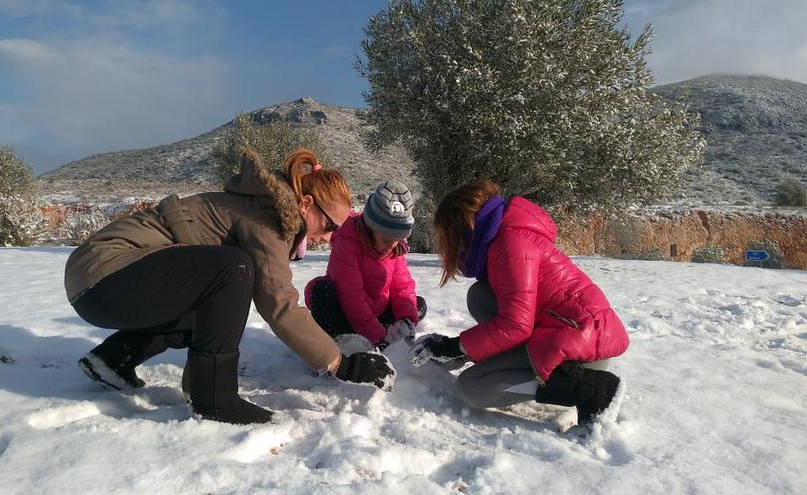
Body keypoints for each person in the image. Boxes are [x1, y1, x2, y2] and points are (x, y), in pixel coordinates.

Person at [64, 148, 396, 426]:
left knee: (215, 306)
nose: (328, 238)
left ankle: (113, 359)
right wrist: (340, 363)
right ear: (306, 204)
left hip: (99, 283)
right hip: (105, 276)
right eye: (328, 226)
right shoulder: (266, 221)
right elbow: (279, 304)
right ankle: (215, 400)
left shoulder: (261, 210)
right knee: (236, 268)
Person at [410, 180, 629, 426]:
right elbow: (516, 316)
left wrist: (455, 347)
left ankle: (585, 388)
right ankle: (552, 373)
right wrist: (464, 352)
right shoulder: (505, 236)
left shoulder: (510, 246)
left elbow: (515, 325)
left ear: (461, 226)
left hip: (580, 348)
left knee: (472, 387)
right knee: (480, 296)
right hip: (569, 333)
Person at [304, 181, 427, 350]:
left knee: (415, 305)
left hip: (376, 315)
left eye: (397, 239)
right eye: (385, 239)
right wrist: (379, 339)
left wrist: (405, 320)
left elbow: (402, 287)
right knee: (321, 290)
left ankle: (388, 335)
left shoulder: (395, 249)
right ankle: (342, 344)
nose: (391, 245)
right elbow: (351, 297)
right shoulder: (347, 244)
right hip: (345, 315)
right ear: (371, 227)